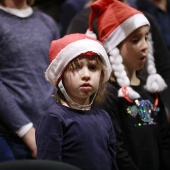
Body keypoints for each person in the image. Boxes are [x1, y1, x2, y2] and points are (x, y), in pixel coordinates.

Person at [86, 0, 170, 169]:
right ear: (114, 47)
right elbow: (116, 147)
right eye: (135, 40)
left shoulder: (150, 89)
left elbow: (165, 139)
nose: (144, 46)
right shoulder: (108, 94)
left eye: (146, 38)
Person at [35, 33, 118, 170]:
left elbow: (112, 163)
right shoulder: (55, 119)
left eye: (92, 67)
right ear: (61, 77)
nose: (86, 75)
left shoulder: (104, 117)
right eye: (76, 67)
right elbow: (48, 165)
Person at [0, 0, 59, 161]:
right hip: (9, 137)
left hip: (48, 132)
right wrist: (26, 130)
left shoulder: (47, 22)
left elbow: (56, 75)